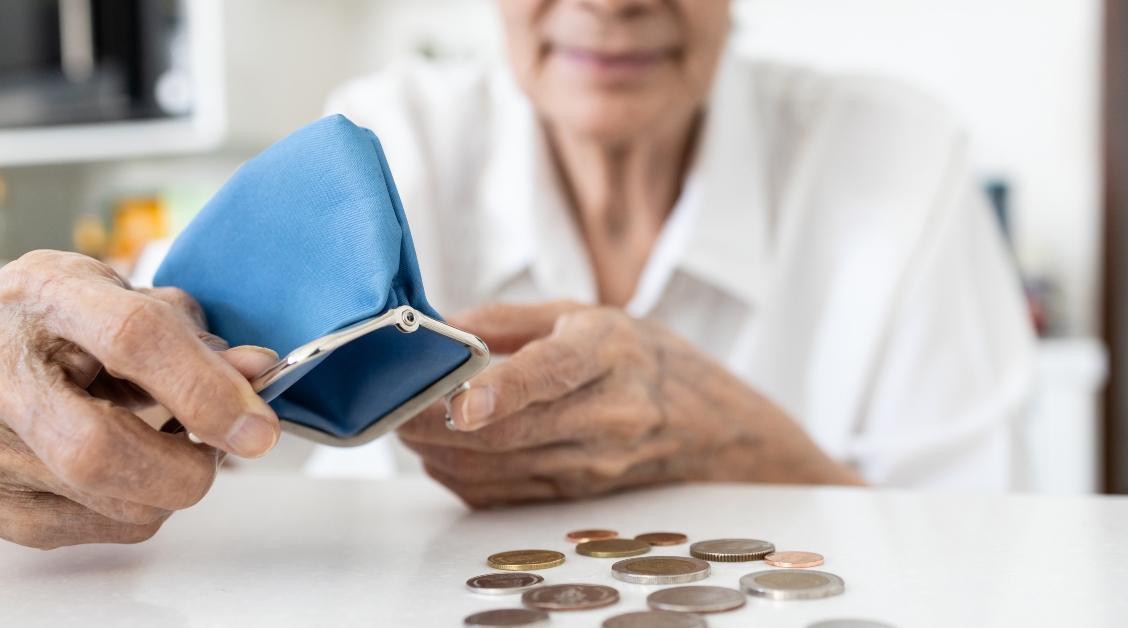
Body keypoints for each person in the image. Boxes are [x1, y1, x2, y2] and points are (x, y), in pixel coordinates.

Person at [0, 0, 1034, 549]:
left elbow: (1009, 570)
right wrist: (43, 379)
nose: (611, 2)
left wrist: (743, 444)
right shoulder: (380, 147)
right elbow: (143, 345)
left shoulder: (901, 162)